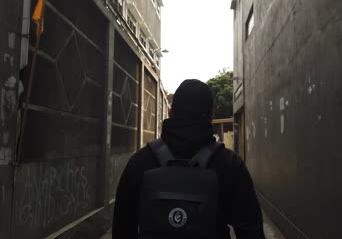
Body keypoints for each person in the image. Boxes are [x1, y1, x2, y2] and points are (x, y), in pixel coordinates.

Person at [112, 79, 265, 239]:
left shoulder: (141, 161)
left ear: (171, 113)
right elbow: (251, 231)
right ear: (210, 118)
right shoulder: (231, 165)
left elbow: (122, 229)